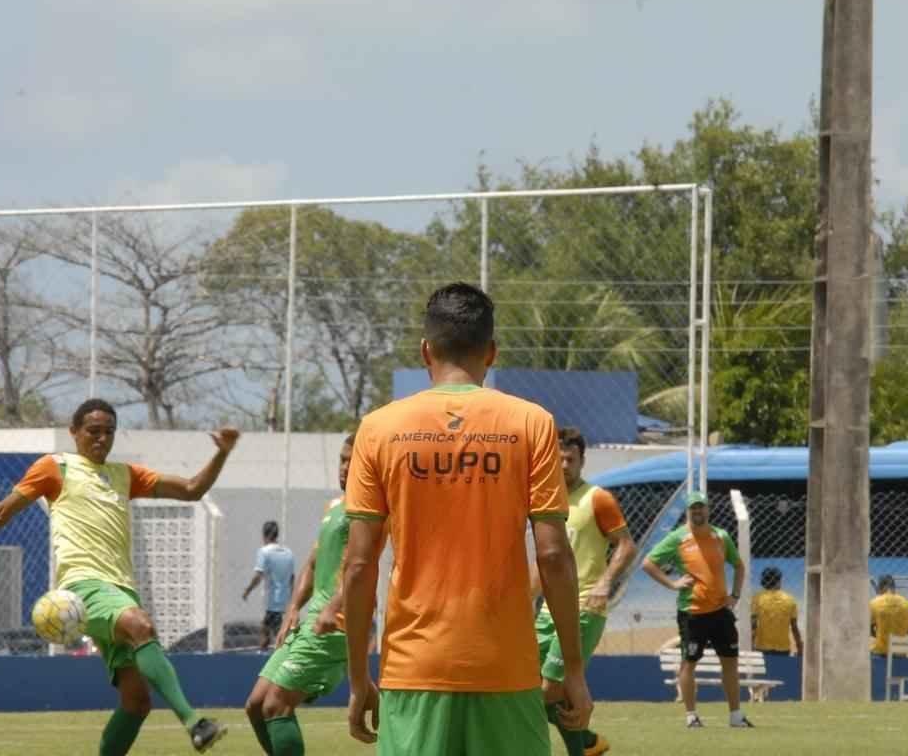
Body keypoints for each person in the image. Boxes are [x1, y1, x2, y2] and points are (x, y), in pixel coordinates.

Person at [0, 398, 236, 754]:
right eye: (93, 431)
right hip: (83, 586)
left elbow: (191, 490)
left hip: (121, 589)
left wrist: (222, 453)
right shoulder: (54, 467)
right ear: (73, 432)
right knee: (140, 626)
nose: (101, 439)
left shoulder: (126, 475)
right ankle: (196, 723)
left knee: (136, 702)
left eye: (109, 432)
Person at [343, 281, 592, 756]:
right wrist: (573, 670)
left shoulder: (379, 428)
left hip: (413, 669)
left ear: (425, 351)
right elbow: (554, 555)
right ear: (492, 352)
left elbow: (358, 566)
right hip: (507, 669)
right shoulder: (531, 423)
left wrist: (359, 679)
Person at [245, 434, 355, 755]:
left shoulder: (372, 508)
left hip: (336, 624)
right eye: (342, 459)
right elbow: (312, 562)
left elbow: (359, 567)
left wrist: (334, 606)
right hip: (310, 619)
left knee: (275, 706)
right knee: (255, 706)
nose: (345, 467)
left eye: (353, 461)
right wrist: (293, 609)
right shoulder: (334, 507)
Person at [532, 426, 637, 756]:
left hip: (585, 607)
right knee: (529, 686)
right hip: (548, 610)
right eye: (558, 458)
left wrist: (605, 583)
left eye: (570, 459)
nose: (564, 465)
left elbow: (626, 545)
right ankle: (587, 745)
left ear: (582, 460)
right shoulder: (544, 502)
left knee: (547, 692)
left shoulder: (598, 499)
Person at [641, 491, 752, 729]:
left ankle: (736, 716)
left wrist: (735, 596)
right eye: (693, 508)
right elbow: (648, 563)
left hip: (721, 611)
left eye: (701, 507)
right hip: (692, 612)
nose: (698, 512)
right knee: (689, 662)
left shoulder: (721, 536)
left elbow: (739, 566)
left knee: (730, 661)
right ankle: (691, 716)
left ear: (708, 510)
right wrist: (672, 584)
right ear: (688, 511)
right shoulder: (677, 538)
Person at [244, 520, 295, 651]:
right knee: (268, 629)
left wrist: (247, 591)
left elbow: (258, 575)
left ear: (264, 535)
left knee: (268, 634)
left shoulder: (264, 552)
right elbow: (292, 578)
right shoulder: (288, 553)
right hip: (285, 600)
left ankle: (267, 658)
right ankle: (269, 653)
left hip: (272, 601)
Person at [750, 566, 802, 656]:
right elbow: (794, 627)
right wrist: (800, 647)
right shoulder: (789, 599)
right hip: (783, 647)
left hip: (762, 646)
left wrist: (751, 646)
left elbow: (753, 626)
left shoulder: (757, 598)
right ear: (779, 581)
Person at [870, 574, 908, 656]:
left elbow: (869, 630)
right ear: (893, 587)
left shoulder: (874, 603)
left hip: (882, 651)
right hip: (900, 652)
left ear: (881, 587)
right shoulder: (907, 603)